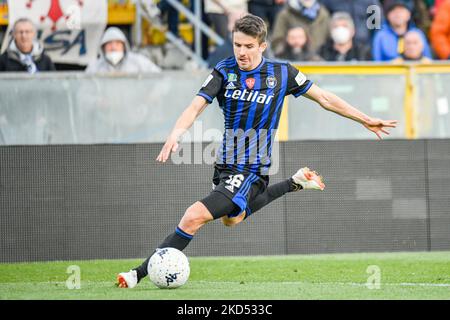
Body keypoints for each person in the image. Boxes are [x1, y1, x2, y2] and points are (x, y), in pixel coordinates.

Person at [116, 14, 397, 288]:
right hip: (225, 163)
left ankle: (136, 274)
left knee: (193, 216)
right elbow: (195, 106)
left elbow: (324, 98)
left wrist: (364, 119)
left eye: (249, 46)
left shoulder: (282, 73)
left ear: (262, 45)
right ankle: (294, 183)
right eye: (238, 44)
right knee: (231, 220)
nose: (242, 51)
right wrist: (175, 134)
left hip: (252, 168)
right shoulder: (224, 71)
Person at [85, 27, 161, 74]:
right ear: (103, 48)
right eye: (109, 44)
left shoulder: (139, 62)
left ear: (124, 46)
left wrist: (151, 97)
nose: (113, 47)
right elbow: (84, 90)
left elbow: (161, 78)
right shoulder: (95, 67)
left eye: (117, 43)